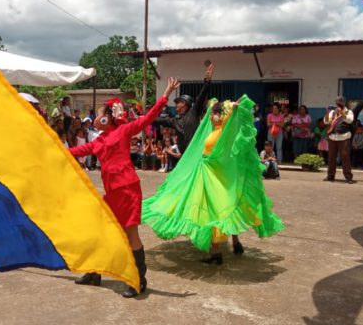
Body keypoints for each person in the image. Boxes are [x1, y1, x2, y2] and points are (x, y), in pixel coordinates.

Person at [68, 77, 180, 298]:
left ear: (108, 117)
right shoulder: (98, 141)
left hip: (128, 190)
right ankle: (94, 273)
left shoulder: (124, 130)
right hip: (113, 194)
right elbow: (74, 152)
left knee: (130, 236)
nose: (96, 116)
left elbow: (149, 118)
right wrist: (51, 148)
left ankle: (139, 280)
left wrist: (165, 94)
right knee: (98, 230)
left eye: (100, 113)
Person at [142, 97, 284, 264]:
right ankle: (234, 242)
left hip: (212, 176)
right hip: (212, 174)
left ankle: (217, 252)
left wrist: (232, 106)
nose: (209, 117)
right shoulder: (217, 130)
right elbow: (215, 106)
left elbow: (234, 114)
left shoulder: (225, 132)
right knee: (225, 207)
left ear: (219, 116)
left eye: (212, 114)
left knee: (214, 210)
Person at [155, 63, 215, 155]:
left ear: (184, 103)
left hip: (195, 152)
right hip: (184, 156)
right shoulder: (175, 120)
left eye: (178, 102)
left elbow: (201, 97)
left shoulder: (194, 112)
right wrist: (145, 118)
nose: (176, 105)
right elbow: (160, 120)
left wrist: (207, 81)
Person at [323, 96, 355, 183]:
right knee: (331, 157)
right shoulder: (332, 112)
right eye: (338, 101)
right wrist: (327, 112)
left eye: (341, 101)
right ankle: (330, 176)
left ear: (344, 103)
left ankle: (348, 177)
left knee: (345, 157)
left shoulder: (348, 111)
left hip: (344, 137)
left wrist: (342, 113)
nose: (339, 103)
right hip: (333, 137)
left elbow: (349, 121)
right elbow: (326, 122)